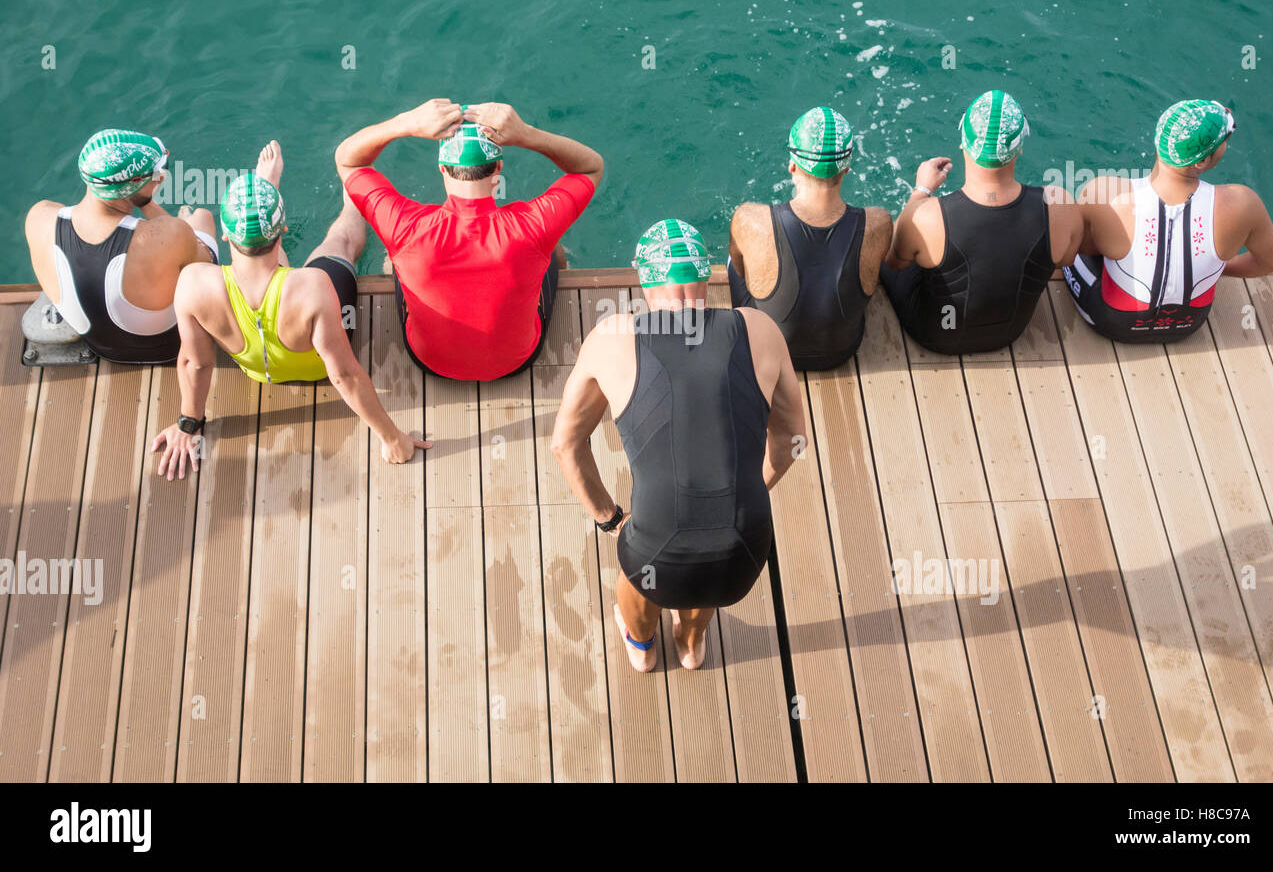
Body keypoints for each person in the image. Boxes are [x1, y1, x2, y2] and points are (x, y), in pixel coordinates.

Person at [550, 219, 806, 673]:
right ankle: (691, 643)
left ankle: (643, 645)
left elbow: (565, 446)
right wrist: (751, 487)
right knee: (707, 550)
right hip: (745, 552)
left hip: (656, 555)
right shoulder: (760, 329)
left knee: (647, 559)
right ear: (706, 276)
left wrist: (611, 520)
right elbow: (792, 441)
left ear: (643, 280)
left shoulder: (614, 336)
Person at [151, 141, 429, 479]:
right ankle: (352, 201)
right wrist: (392, 438)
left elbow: (195, 362)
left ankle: (265, 189)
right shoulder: (314, 285)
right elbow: (343, 374)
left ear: (224, 234)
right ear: (283, 229)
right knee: (339, 242)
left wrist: (189, 424)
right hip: (313, 361)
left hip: (255, 367)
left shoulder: (193, 283)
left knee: (264, 279)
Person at [334, 98, 603, 381]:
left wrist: (407, 123)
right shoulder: (534, 224)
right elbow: (590, 167)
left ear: (441, 168)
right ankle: (564, 265)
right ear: (497, 167)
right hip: (516, 361)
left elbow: (348, 159)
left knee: (398, 258)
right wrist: (526, 134)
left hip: (428, 360)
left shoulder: (405, 226)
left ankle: (396, 268)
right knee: (547, 250)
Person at [1063, 99, 1273, 341]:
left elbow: (1080, 248)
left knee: (1070, 243)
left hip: (1112, 321)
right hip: (1190, 324)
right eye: (1226, 138)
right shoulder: (1244, 203)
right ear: (1201, 161)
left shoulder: (1106, 193)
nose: (1227, 143)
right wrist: (1219, 266)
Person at [880, 90, 1082, 354]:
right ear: (1020, 147)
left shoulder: (929, 215)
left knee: (895, 234)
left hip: (938, 335)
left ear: (963, 141)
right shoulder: (1059, 204)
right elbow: (1066, 261)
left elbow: (895, 262)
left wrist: (920, 192)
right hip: (1010, 332)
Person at [24, 129, 219, 363]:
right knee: (201, 219)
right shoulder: (170, 234)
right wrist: (171, 219)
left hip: (101, 347)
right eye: (158, 174)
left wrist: (140, 197)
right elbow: (207, 267)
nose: (162, 178)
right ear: (133, 183)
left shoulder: (40, 218)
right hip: (170, 348)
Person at [728, 106, 893, 370]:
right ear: (847, 168)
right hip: (841, 352)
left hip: (771, 351)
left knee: (736, 257)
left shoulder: (751, 219)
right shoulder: (878, 222)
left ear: (792, 165)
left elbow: (739, 270)